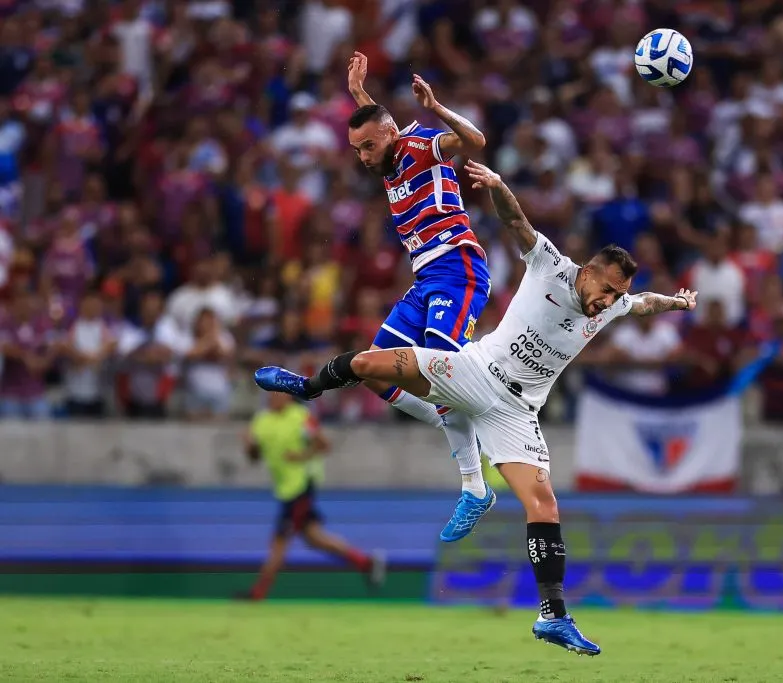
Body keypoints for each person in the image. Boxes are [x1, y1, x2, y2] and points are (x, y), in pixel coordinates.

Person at [254, 161, 698, 655]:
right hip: (474, 371)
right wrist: (499, 186)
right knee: (366, 362)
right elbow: (517, 224)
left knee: (544, 504)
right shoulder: (551, 265)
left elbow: (644, 304)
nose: (609, 300)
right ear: (588, 272)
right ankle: (307, 387)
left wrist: (675, 303)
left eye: (617, 294)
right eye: (607, 289)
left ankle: (553, 615)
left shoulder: (616, 304)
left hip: (516, 411)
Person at [345, 52, 493, 542]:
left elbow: (476, 142)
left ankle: (475, 486)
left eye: (367, 147)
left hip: (458, 267)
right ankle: (457, 415)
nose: (363, 157)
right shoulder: (385, 158)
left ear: (390, 136)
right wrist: (359, 95)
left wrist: (438, 107)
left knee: (436, 370)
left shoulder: (424, 144)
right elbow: (377, 126)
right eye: (357, 150)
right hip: (425, 279)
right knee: (373, 368)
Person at [239, 390, 386, 600]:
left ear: (288, 396)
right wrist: (249, 446)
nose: (274, 398)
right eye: (271, 394)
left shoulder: (300, 416)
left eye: (279, 394)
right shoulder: (261, 421)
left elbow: (323, 445)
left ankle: (257, 594)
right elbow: (255, 456)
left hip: (301, 487)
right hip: (284, 490)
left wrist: (301, 455)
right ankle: (366, 563)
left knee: (279, 542)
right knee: (314, 539)